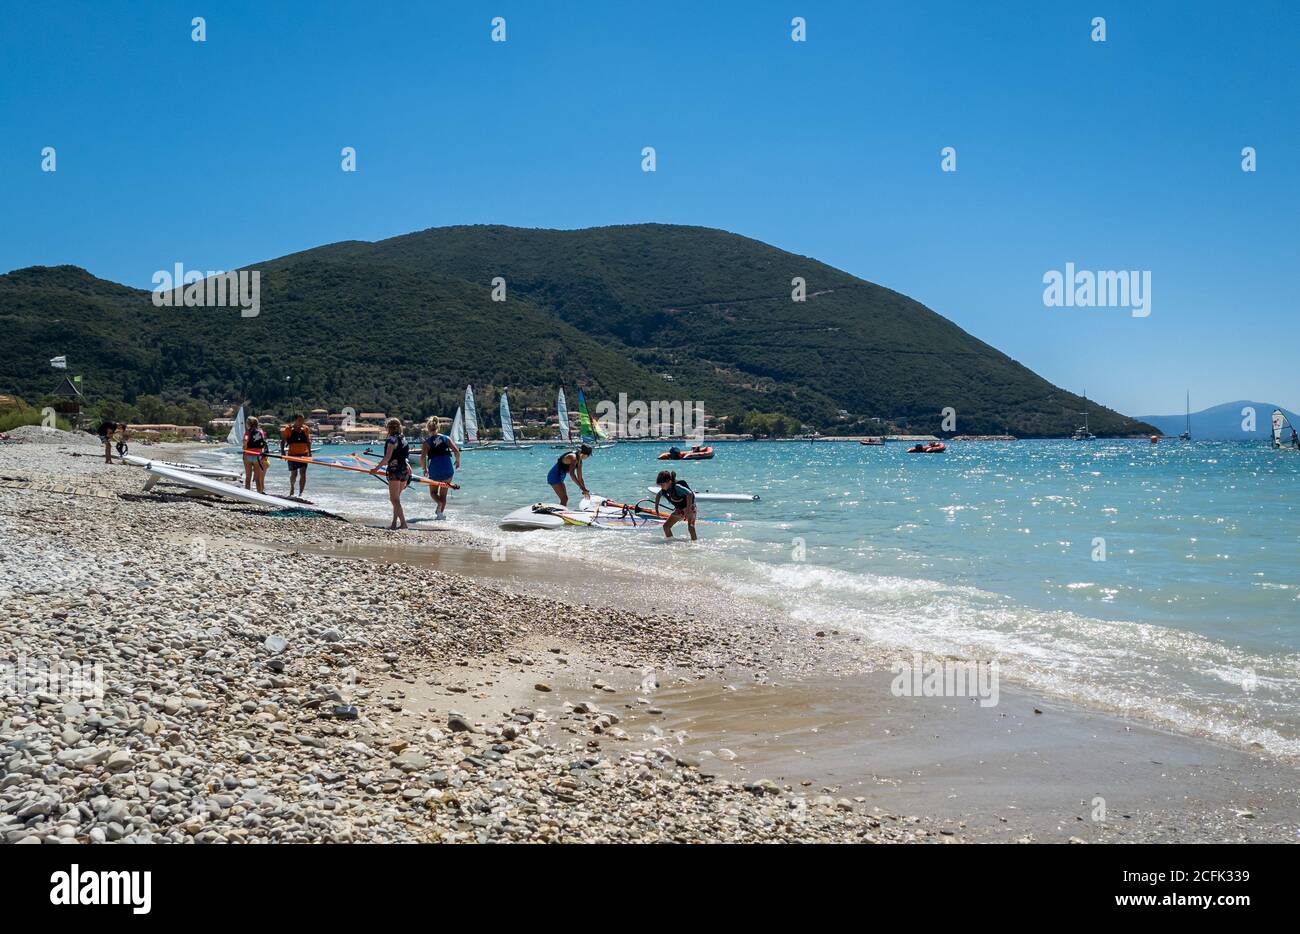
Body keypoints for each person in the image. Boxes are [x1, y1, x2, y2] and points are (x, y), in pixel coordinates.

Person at [374, 417, 411, 529]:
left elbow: (387, 457)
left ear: (388, 428)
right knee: (397, 500)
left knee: (394, 500)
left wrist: (376, 469)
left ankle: (404, 524)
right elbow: (405, 458)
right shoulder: (404, 439)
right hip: (405, 470)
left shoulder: (392, 440)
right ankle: (394, 523)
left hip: (395, 471)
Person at [420, 417, 460, 519]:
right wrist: (457, 461)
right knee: (443, 495)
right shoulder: (446, 438)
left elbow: (423, 457)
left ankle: (439, 504)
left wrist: (424, 469)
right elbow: (456, 451)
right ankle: (440, 514)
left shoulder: (426, 443)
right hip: (448, 470)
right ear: (438, 427)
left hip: (435, 471)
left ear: (428, 429)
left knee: (433, 493)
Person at [653, 469, 698, 541]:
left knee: (691, 526)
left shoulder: (677, 487)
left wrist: (688, 510)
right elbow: (658, 495)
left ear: (669, 482)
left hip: (690, 507)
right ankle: (671, 543)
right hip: (680, 509)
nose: (661, 487)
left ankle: (695, 544)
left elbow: (689, 493)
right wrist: (656, 509)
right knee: (666, 526)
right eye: (660, 485)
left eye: (662, 484)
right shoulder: (664, 490)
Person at [280, 413, 313, 497]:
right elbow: (283, 441)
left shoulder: (306, 429)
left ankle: (301, 493)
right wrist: (283, 452)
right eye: (299, 420)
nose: (301, 422)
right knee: (294, 474)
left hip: (304, 454)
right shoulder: (288, 429)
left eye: (302, 420)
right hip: (292, 455)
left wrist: (310, 452)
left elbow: (308, 441)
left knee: (303, 473)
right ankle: (292, 487)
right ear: (295, 420)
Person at [242, 416, 269, 494]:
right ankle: (259, 494)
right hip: (257, 456)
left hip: (247, 456)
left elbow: (245, 445)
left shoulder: (247, 433)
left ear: (248, 424)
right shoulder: (260, 432)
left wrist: (244, 446)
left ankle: (247, 495)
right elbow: (263, 443)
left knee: (248, 477)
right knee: (257, 478)